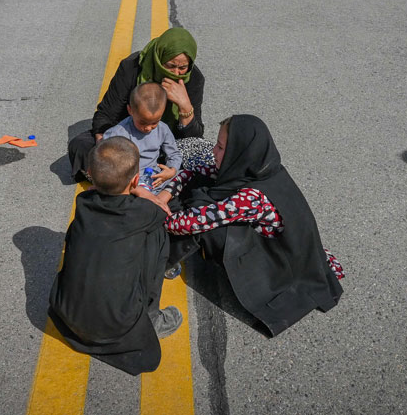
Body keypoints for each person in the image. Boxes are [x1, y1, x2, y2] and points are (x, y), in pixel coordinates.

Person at [160, 115, 344, 336]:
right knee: (200, 189)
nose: (213, 152)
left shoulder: (252, 197)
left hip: (280, 264)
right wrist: (166, 193)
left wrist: (157, 216)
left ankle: (162, 260)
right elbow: (195, 172)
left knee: (208, 226)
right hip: (291, 247)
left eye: (220, 147)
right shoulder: (258, 167)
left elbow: (193, 223)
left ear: (239, 151)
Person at [49, 137, 181, 375]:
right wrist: (143, 192)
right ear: (135, 180)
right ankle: (152, 316)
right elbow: (161, 212)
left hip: (67, 315)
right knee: (158, 235)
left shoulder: (83, 202)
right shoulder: (142, 212)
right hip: (117, 327)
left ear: (90, 174)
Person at [66, 27, 205, 182]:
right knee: (81, 145)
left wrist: (185, 106)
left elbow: (195, 137)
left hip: (165, 144)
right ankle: (128, 180)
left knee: (203, 154)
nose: (176, 73)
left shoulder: (194, 79)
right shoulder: (132, 67)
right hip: (126, 140)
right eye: (170, 65)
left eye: (182, 68)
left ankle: (122, 180)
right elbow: (105, 115)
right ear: (158, 58)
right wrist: (105, 152)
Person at [103, 83, 182, 190]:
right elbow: (105, 161)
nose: (148, 128)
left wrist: (171, 170)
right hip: (129, 182)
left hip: (156, 178)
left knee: (185, 176)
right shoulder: (118, 133)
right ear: (130, 110)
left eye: (155, 122)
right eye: (143, 122)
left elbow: (174, 154)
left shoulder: (163, 129)